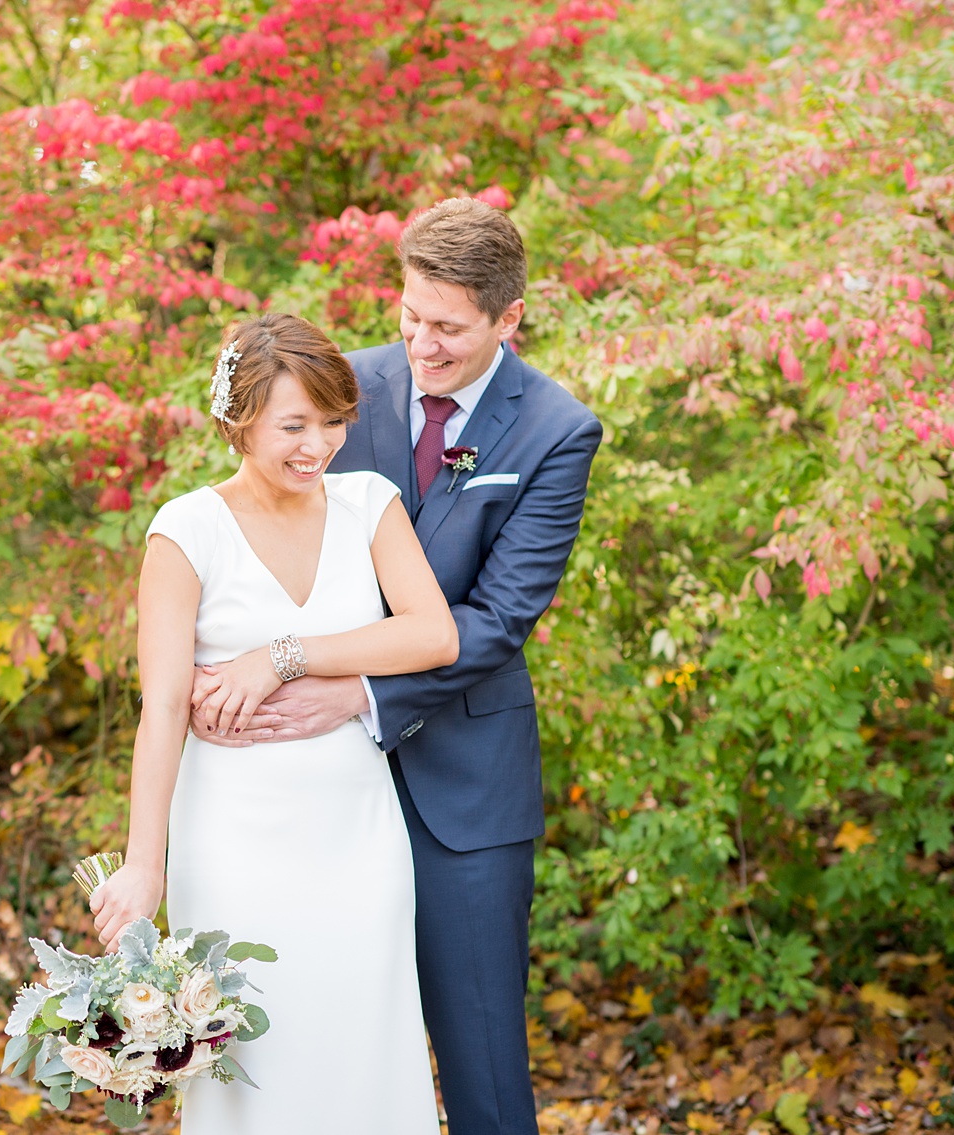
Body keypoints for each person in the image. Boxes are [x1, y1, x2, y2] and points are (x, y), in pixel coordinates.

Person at [188, 197, 603, 1135]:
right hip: (305, 796)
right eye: (410, 316)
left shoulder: (555, 431)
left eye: (448, 328)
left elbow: (497, 619)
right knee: (312, 1047)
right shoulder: (344, 387)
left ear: (508, 318)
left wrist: (354, 692)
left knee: (484, 1063)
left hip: (466, 787)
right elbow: (250, 520)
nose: (420, 344)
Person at [89, 312, 458, 1133]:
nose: (317, 444)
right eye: (295, 424)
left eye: (333, 422)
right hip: (233, 841)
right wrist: (145, 866)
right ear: (238, 419)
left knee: (367, 1042)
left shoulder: (370, 504)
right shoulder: (185, 531)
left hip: (359, 837)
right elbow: (162, 714)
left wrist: (283, 655)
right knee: (255, 1063)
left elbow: (433, 633)